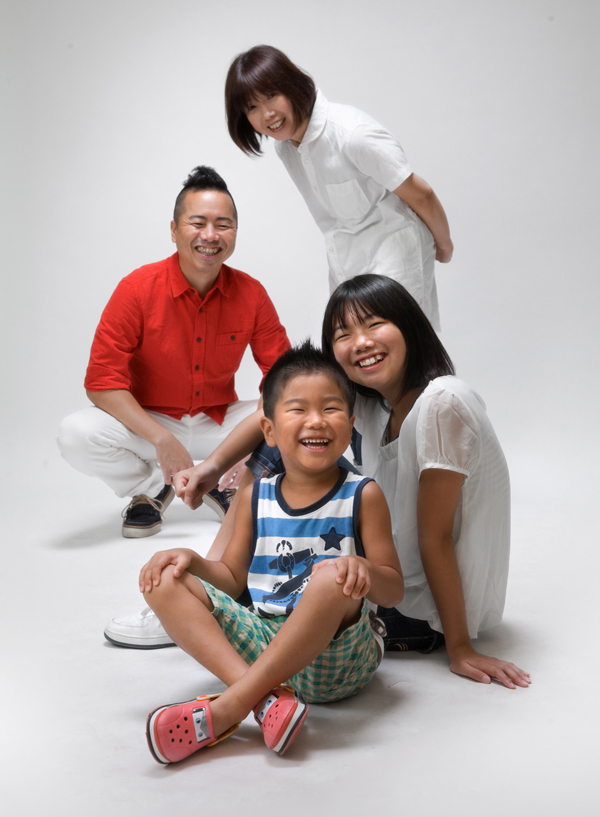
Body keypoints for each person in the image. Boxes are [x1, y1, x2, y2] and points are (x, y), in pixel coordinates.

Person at [140, 341, 404, 764]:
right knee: (163, 579)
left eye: (331, 408)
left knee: (330, 576)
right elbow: (231, 579)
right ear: (269, 430)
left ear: (351, 424)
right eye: (298, 409)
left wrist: (364, 570)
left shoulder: (363, 494)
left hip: (339, 659)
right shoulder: (255, 497)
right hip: (266, 644)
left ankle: (231, 706)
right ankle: (266, 702)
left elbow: (394, 591)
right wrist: (193, 562)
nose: (316, 420)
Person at [57, 166, 290, 541]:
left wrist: (260, 440)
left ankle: (217, 480)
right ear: (173, 230)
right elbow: (102, 383)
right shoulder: (136, 289)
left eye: (223, 225)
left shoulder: (251, 293)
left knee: (294, 417)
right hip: (149, 423)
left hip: (219, 422)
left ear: (235, 232)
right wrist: (161, 440)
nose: (210, 236)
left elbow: (284, 376)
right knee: (76, 434)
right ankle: (154, 487)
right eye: (198, 223)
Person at [321, 274, 531, 689]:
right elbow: (284, 399)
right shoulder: (378, 407)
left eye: (374, 324)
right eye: (343, 334)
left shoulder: (441, 403)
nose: (360, 342)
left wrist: (460, 648)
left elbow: (436, 537)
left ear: (409, 326)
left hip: (422, 612)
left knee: (285, 604)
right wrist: (212, 468)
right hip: (395, 582)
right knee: (287, 437)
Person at [225, 44, 453, 330]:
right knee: (350, 351)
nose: (267, 113)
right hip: (345, 262)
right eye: (252, 107)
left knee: (402, 347)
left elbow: (422, 193)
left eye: (272, 95)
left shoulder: (352, 135)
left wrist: (443, 246)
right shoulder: (286, 148)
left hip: (396, 256)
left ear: (292, 85)